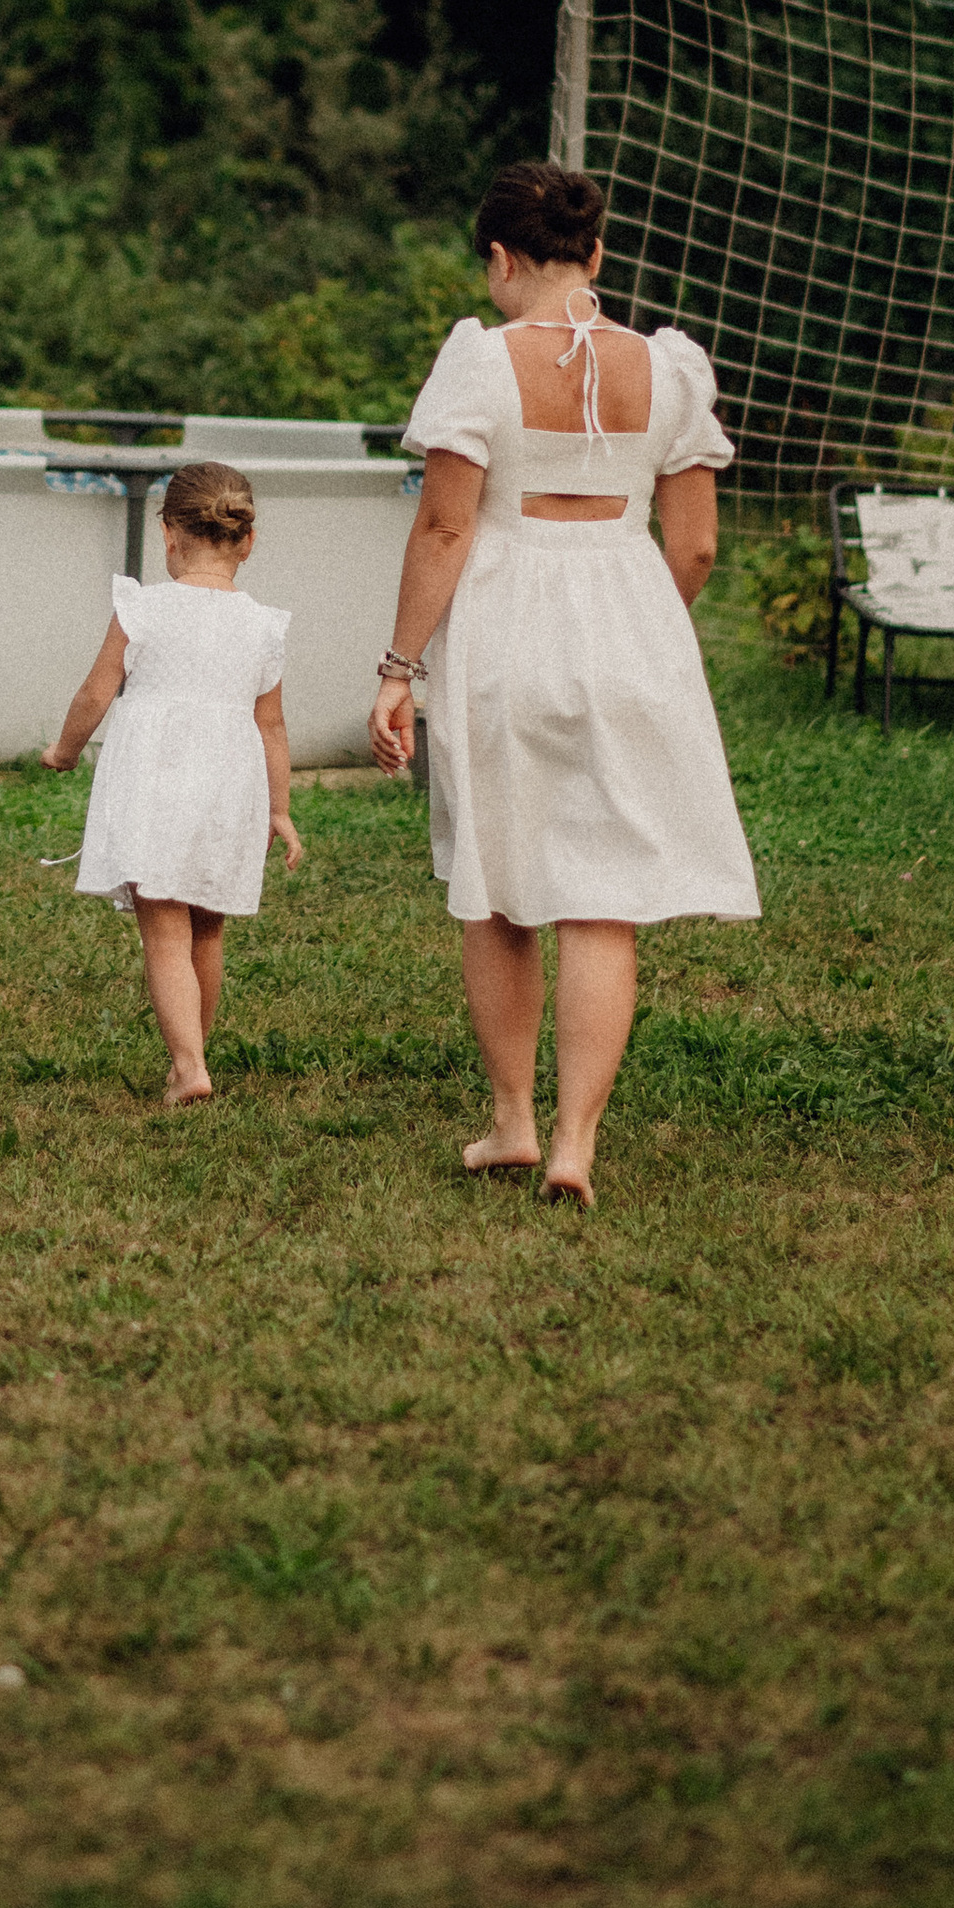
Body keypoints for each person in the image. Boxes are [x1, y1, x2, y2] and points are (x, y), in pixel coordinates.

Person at [367, 161, 758, 1205]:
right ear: (595, 254)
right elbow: (699, 546)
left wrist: (397, 666)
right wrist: (642, 632)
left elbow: (447, 526)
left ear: (500, 259)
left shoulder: (478, 364)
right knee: (602, 899)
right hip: (630, 618)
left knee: (498, 887)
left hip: (505, 624)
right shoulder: (672, 369)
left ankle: (511, 1124)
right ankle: (578, 1141)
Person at [44, 462, 303, 1106]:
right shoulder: (263, 626)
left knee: (164, 931)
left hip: (154, 783)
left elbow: (95, 692)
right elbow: (270, 727)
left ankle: (188, 1066)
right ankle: (193, 1058)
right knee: (207, 928)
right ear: (247, 540)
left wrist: (64, 750)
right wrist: (279, 810)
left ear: (168, 536)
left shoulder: (142, 606)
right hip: (229, 792)